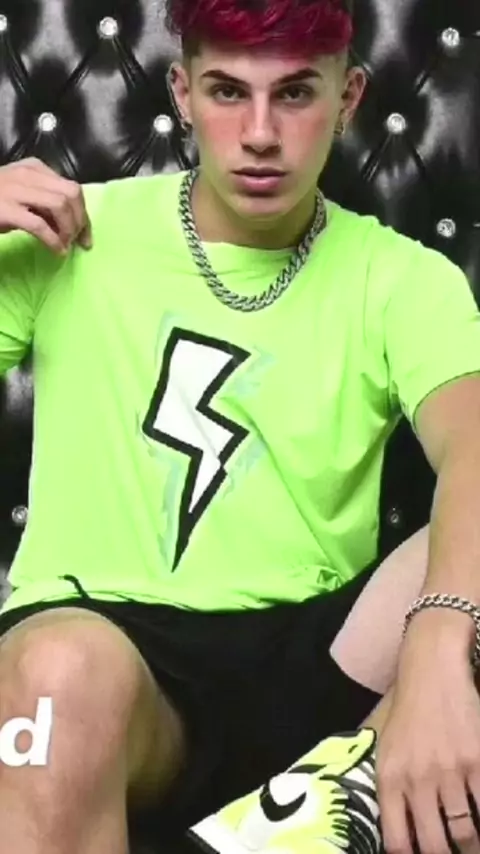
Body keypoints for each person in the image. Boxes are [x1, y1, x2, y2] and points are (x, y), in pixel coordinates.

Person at [0, 0, 479, 852]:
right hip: (106, 648)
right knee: (57, 671)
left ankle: (304, 801)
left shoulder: (404, 279)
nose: (261, 135)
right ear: (181, 94)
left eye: (294, 94)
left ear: (348, 97)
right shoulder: (67, 232)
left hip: (322, 660)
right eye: (227, 92)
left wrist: (441, 644)